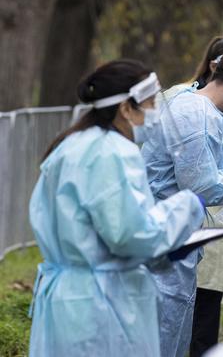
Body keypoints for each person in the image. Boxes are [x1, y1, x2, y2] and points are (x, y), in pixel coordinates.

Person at [28, 60, 206, 357]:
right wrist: (185, 209)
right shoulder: (113, 153)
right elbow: (131, 236)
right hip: (102, 305)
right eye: (150, 103)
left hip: (70, 301)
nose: (154, 112)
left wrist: (160, 254)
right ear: (126, 108)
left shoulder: (71, 145)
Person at [141, 48, 223, 357]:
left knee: (173, 333)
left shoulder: (194, 105)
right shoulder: (198, 115)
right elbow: (201, 184)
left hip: (173, 235)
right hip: (166, 241)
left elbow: (195, 168)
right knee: (162, 337)